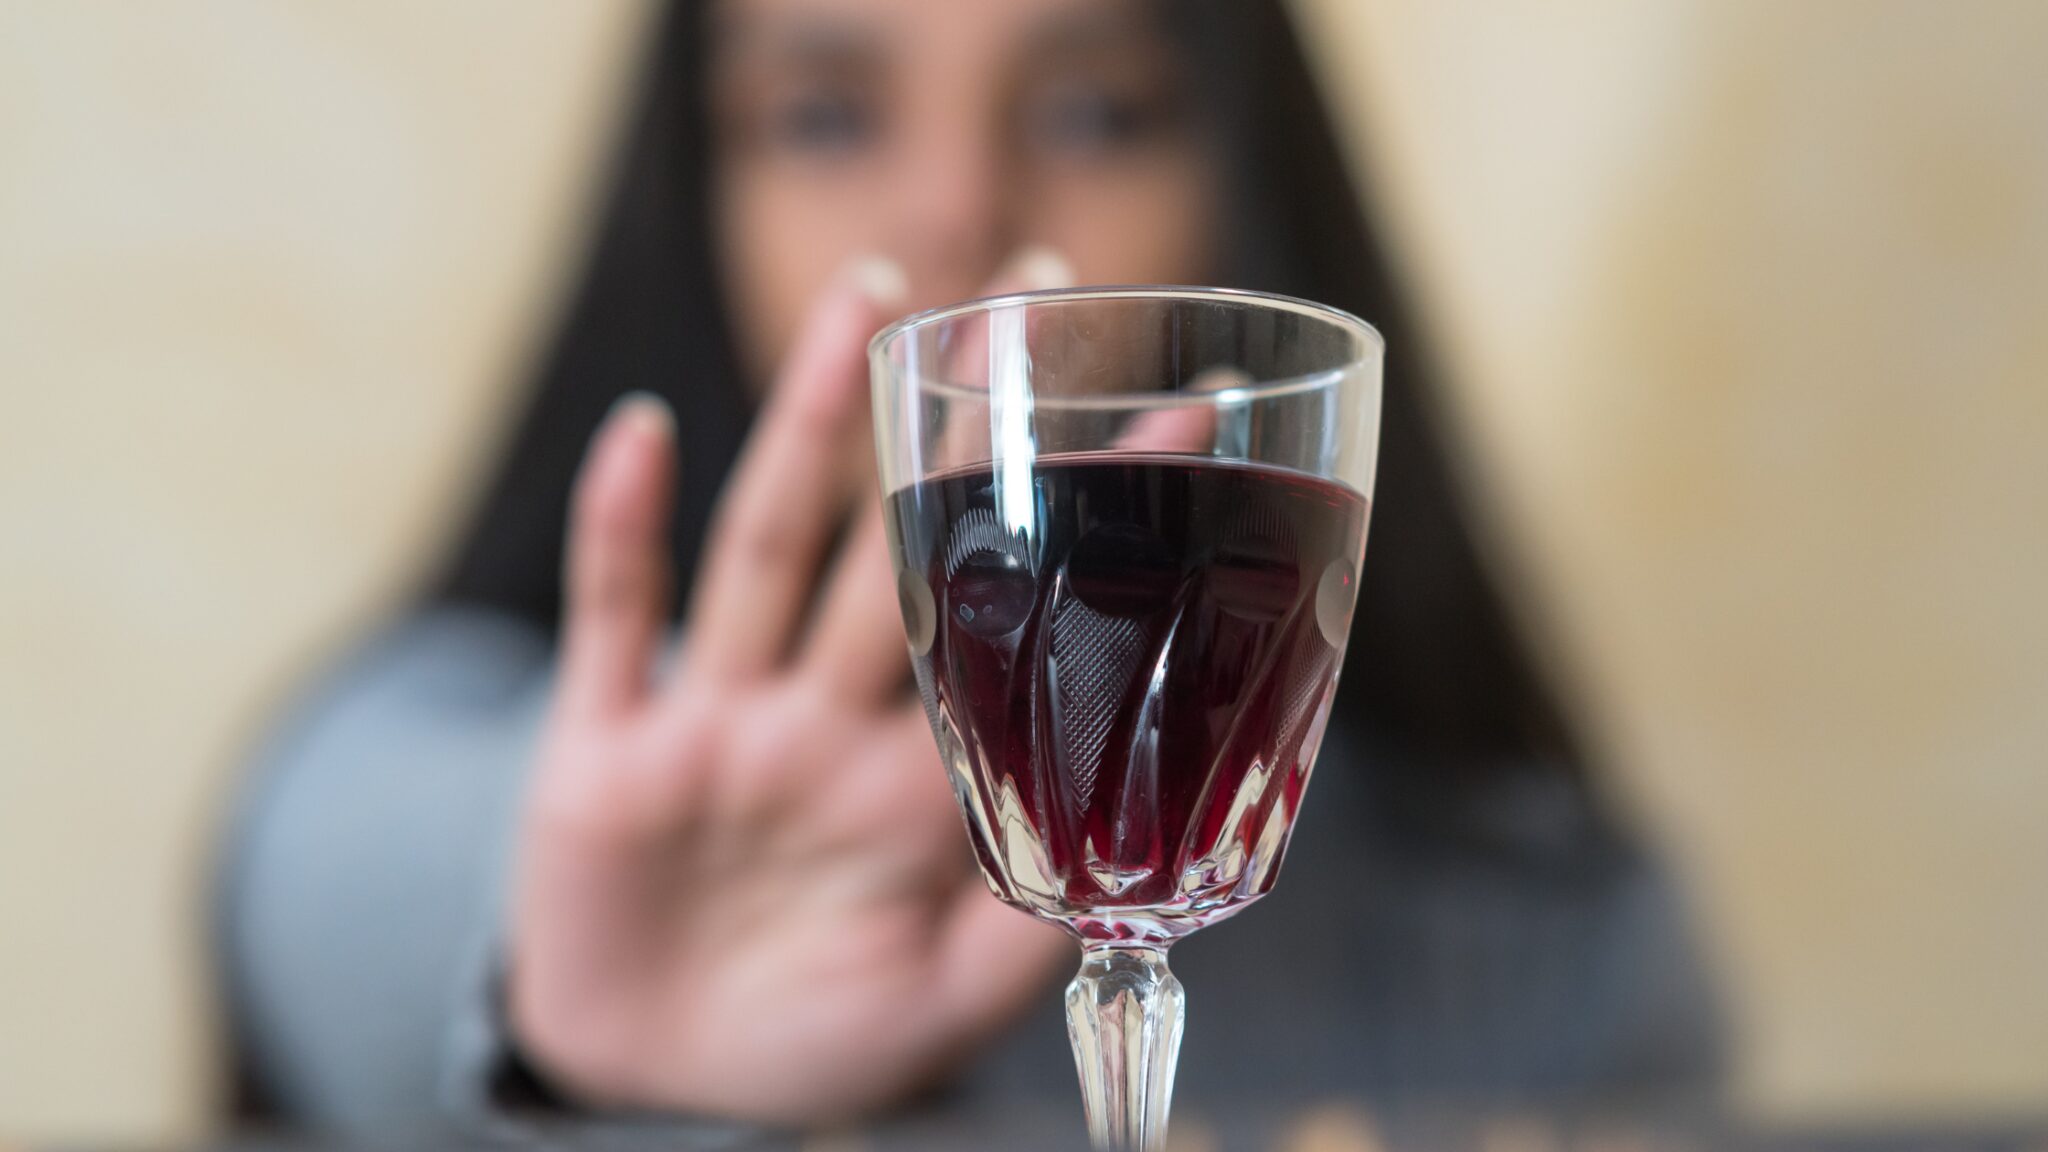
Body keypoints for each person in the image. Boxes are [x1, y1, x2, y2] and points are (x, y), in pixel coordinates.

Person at [217, 0, 1721, 1133]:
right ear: (695, 201)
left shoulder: (1544, 941)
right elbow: (322, 867)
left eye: (1092, 114)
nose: (954, 206)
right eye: (825, 116)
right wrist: (563, 998)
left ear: (1249, 179)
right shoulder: (410, 752)